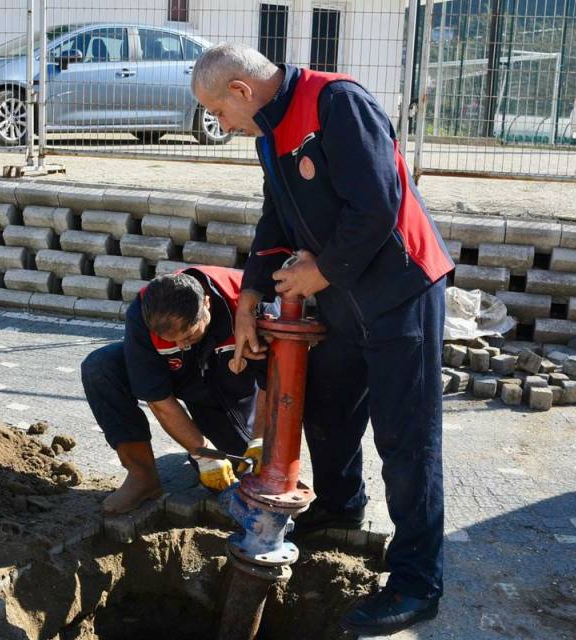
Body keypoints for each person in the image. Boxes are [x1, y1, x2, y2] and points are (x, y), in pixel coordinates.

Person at [191, 44, 454, 635]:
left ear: (241, 90)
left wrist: (322, 272)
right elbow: (276, 219)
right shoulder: (268, 135)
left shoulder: (336, 103)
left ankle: (417, 583)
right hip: (340, 298)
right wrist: (250, 296)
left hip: (400, 291)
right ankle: (340, 508)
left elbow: (378, 204)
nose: (222, 126)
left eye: (220, 112)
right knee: (329, 411)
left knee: (406, 438)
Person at [80, 266, 266, 515]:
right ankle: (142, 476)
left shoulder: (248, 301)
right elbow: (158, 400)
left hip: (231, 390)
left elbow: (276, 382)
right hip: (181, 376)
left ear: (206, 304)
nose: (180, 345)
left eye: (188, 336)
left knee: (245, 472)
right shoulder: (143, 310)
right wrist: (204, 454)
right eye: (171, 340)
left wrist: (261, 438)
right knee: (101, 366)